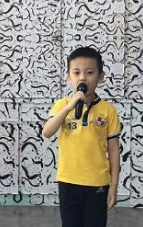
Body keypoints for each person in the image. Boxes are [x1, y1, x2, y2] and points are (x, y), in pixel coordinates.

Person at [43, 46, 121, 227]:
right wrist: (69, 107)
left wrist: (114, 186)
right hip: (68, 181)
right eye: (76, 72)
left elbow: (114, 151)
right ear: (68, 77)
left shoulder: (108, 110)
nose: (83, 78)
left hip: (97, 182)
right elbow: (47, 132)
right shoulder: (62, 105)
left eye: (90, 72)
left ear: (100, 77)